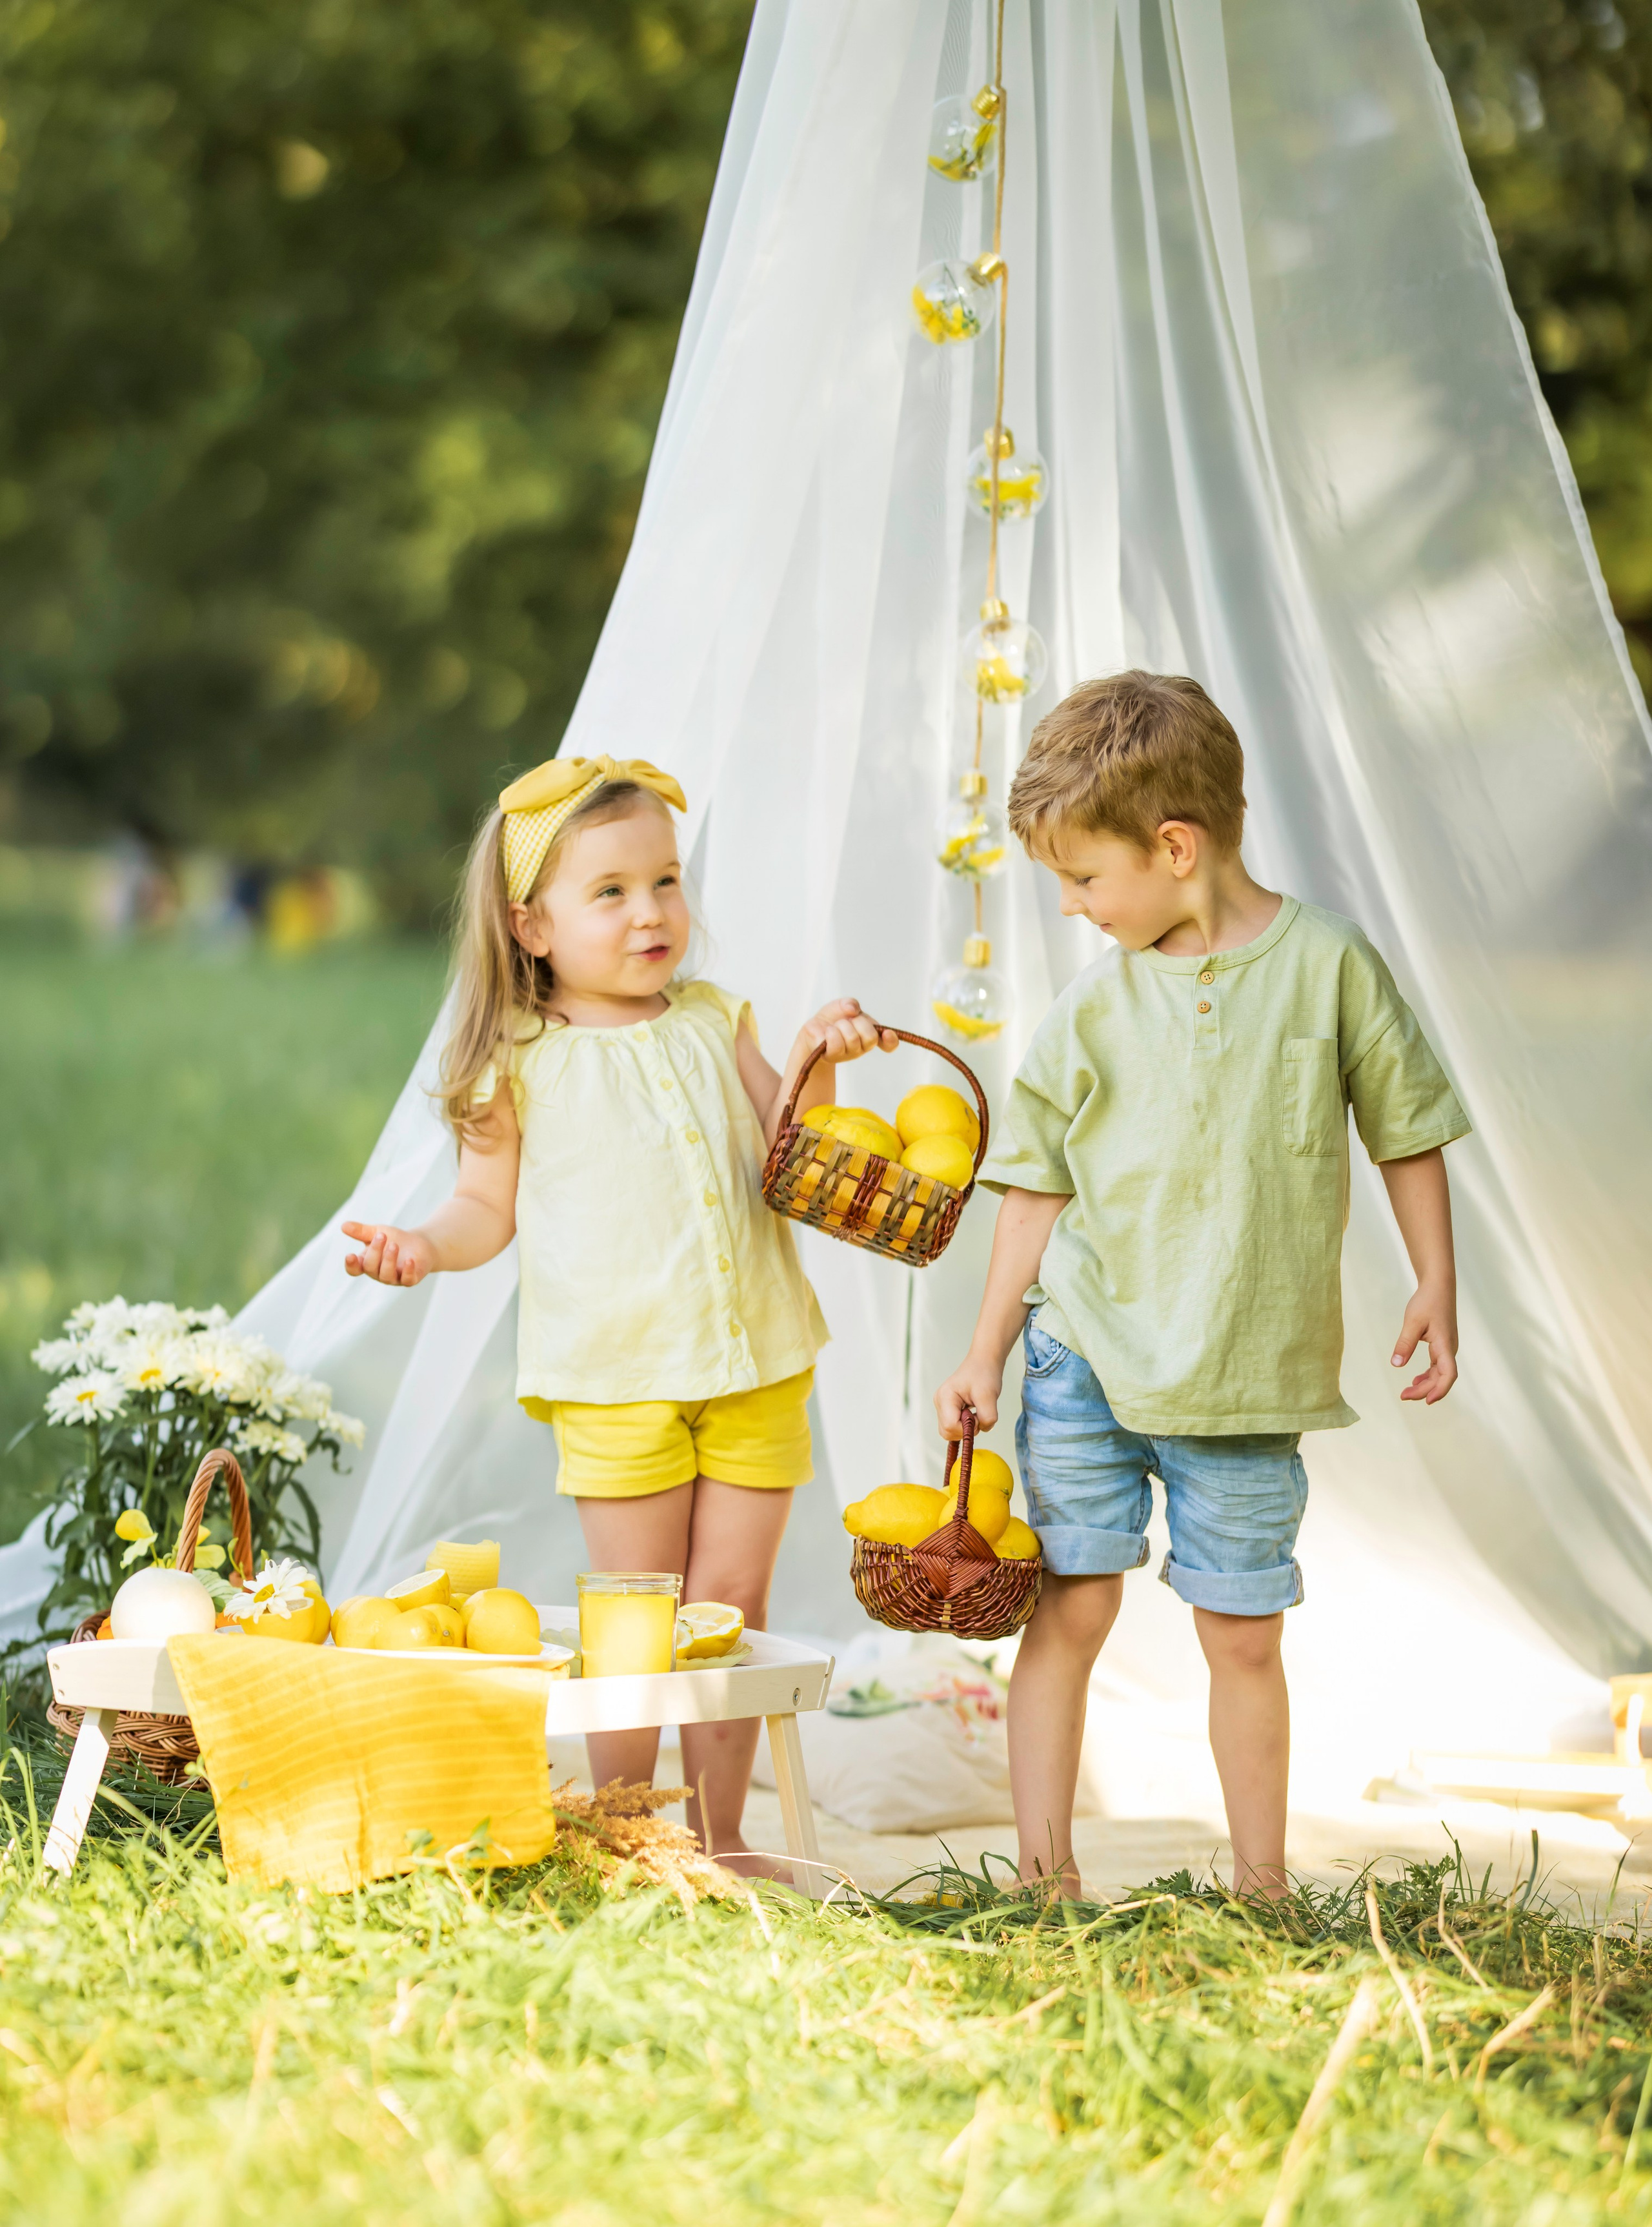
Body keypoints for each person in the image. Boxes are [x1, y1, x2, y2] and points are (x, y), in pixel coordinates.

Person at [935, 673, 1470, 1900]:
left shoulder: (1330, 964)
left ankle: (1263, 1883)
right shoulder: (1097, 1004)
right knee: (1068, 1611)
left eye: (1085, 879)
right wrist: (986, 1352)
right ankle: (1042, 1875)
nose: (1072, 908)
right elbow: (1031, 1184)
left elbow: (1406, 1130)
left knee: (1241, 1633)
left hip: (1244, 1372)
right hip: (1088, 1354)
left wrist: (1437, 1282)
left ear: (1177, 847)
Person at [341, 753, 892, 1876]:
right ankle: (626, 1828)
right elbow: (481, 1210)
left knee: (727, 1611)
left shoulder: (714, 1018)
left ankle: (723, 1834)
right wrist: (421, 1249)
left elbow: (792, 1151)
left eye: (666, 882)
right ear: (529, 924)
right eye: (612, 892)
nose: (652, 912)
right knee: (636, 1622)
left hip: (757, 1360)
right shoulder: (516, 1059)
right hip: (614, 1378)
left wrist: (815, 1064)